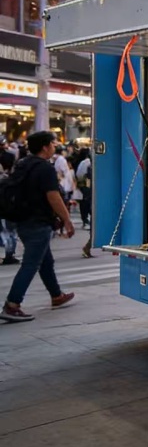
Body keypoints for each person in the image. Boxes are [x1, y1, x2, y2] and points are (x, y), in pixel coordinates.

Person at [0, 131, 75, 323]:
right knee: (31, 264)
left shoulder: (22, 164)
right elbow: (53, 197)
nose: (55, 146)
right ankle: (12, 304)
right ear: (45, 147)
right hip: (38, 221)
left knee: (45, 260)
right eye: (53, 144)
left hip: (22, 220)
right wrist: (67, 220)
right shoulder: (45, 168)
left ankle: (56, 295)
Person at [0, 135, 18, 265]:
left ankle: (8, 253)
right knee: (9, 231)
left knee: (6, 231)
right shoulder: (9, 181)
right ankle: (9, 253)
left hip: (5, 207)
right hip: (7, 207)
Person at [75, 148, 92, 229]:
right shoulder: (88, 162)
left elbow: (79, 174)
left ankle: (85, 220)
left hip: (84, 185)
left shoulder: (83, 162)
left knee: (84, 202)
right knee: (87, 202)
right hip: (88, 184)